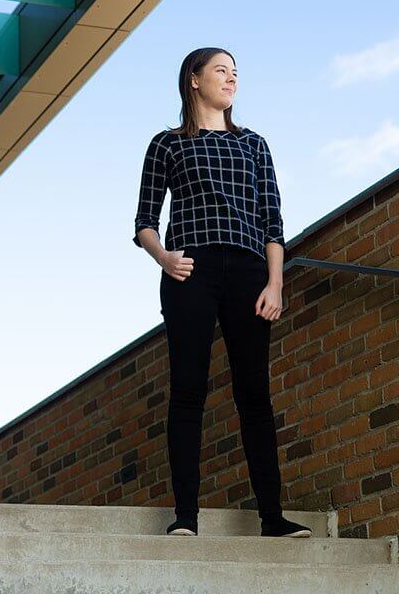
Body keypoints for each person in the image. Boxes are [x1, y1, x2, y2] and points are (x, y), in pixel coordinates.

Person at [133, 47, 311, 538]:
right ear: (194, 80)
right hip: (190, 271)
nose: (232, 79)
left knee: (254, 394)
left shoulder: (254, 144)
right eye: (221, 71)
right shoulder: (168, 144)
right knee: (188, 389)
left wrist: (275, 283)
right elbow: (145, 221)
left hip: (250, 274)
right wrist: (164, 258)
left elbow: (272, 222)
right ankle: (185, 517)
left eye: (236, 73)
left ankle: (271, 517)